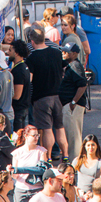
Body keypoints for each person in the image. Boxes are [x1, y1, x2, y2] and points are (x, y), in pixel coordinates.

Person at [25, 26, 67, 160]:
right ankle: (65, 154)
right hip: (57, 96)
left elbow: (29, 79)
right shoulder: (56, 53)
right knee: (60, 127)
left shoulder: (32, 58)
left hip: (41, 97)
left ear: (32, 42)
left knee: (47, 129)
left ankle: (48, 156)